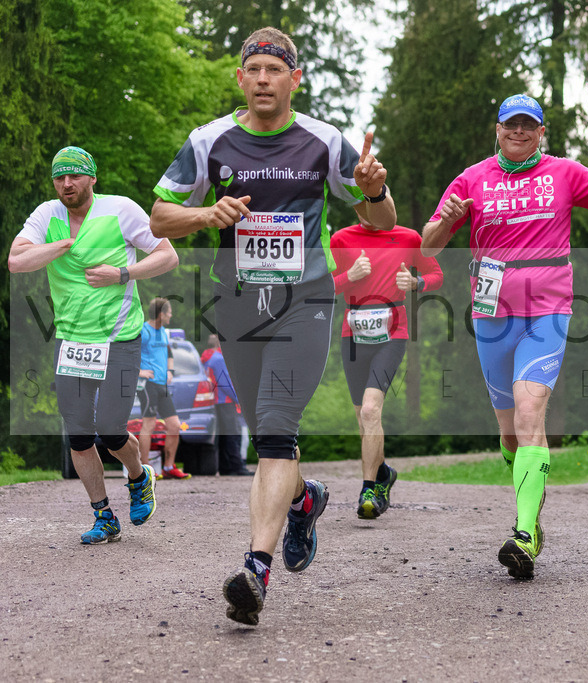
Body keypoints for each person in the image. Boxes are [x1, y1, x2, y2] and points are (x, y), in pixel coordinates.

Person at [150, 27, 397, 625]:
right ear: (240, 78)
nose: (263, 79)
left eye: (274, 70)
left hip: (304, 301)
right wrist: (207, 213)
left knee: (277, 428)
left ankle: (255, 571)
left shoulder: (324, 140)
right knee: (267, 433)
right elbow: (158, 216)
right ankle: (305, 498)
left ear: (294, 79)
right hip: (236, 304)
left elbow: (382, 218)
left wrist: (374, 188)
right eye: (253, 69)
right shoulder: (209, 141)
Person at [422, 94, 588, 579]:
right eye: (511, 125)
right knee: (510, 433)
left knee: (529, 414)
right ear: (497, 128)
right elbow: (427, 246)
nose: (519, 132)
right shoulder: (472, 179)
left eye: (529, 126)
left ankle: (524, 533)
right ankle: (530, 505)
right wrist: (448, 218)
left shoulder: (564, 172)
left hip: (548, 311)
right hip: (492, 314)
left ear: (541, 132)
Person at [8, 145, 177, 543]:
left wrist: (123, 273)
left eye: (76, 175)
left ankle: (139, 476)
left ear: (92, 177)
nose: (67, 184)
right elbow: (17, 261)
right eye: (60, 177)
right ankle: (104, 516)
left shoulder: (120, 209)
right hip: (71, 340)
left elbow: (166, 255)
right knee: (79, 434)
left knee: (111, 428)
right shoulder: (47, 215)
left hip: (119, 337)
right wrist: (61, 246)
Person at [330, 220, 443, 518]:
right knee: (362, 416)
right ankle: (383, 474)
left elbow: (437, 275)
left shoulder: (408, 237)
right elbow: (323, 285)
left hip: (392, 333)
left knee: (370, 410)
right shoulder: (341, 238)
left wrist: (417, 283)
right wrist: (348, 277)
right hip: (352, 331)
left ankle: (369, 488)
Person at [137, 297, 189, 479]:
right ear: (161, 314)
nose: (171, 315)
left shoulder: (164, 332)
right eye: (169, 312)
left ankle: (168, 467)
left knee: (174, 425)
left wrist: (170, 370)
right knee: (149, 424)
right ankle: (145, 468)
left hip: (162, 384)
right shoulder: (143, 330)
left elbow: (168, 352)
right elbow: (129, 352)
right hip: (147, 385)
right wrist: (139, 371)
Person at [202, 334, 252, 476]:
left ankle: (226, 467)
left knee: (225, 436)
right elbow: (225, 383)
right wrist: (238, 399)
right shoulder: (219, 358)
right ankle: (236, 467)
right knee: (233, 434)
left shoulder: (211, 358)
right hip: (225, 401)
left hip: (219, 401)